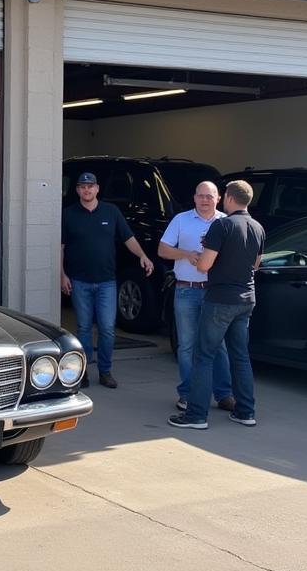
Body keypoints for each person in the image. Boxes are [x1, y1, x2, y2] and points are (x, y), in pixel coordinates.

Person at [168, 179, 265, 429]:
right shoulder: (257, 227)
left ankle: (196, 415)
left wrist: (204, 260)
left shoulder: (222, 225)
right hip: (246, 299)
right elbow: (256, 264)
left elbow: (204, 265)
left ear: (228, 198)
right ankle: (246, 412)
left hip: (220, 299)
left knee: (204, 355)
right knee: (240, 356)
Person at [61, 172, 154, 389]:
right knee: (83, 327)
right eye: (82, 187)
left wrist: (142, 255)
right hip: (79, 281)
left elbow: (128, 237)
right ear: (77, 190)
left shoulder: (111, 212)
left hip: (107, 282)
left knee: (107, 328)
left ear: (97, 189)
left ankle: (105, 371)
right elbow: (61, 247)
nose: (87, 190)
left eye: (90, 186)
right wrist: (62, 275)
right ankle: (81, 373)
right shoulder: (68, 214)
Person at [157, 181, 234, 413]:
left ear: (218, 198)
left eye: (209, 196)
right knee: (187, 345)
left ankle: (224, 394)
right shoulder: (181, 220)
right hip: (186, 290)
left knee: (217, 344)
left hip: (214, 291)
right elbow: (162, 250)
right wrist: (185, 254)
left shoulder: (225, 222)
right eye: (200, 196)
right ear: (194, 197)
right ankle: (188, 394)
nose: (204, 200)